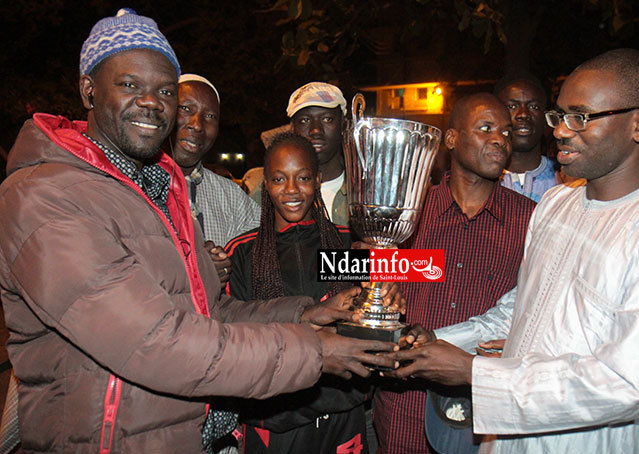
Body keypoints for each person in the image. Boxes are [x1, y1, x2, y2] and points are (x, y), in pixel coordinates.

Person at [0, 9, 396, 452]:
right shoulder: (49, 195)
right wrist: (316, 349)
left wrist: (319, 309)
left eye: (164, 91)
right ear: (88, 90)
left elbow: (209, 312)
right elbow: (160, 340)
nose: (151, 102)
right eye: (129, 85)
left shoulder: (158, 191)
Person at [388, 49, 639, 453]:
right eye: (559, 116)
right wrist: (442, 340)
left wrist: (475, 373)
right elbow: (521, 310)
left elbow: (624, 384)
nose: (562, 131)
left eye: (580, 117)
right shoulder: (556, 205)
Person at [205, 132, 390, 453]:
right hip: (274, 427)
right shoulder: (244, 252)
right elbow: (237, 340)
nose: (291, 190)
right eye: (279, 179)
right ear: (266, 182)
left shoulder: (345, 245)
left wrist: (391, 272)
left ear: (318, 179)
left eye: (303, 178)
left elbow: (397, 297)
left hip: (343, 420)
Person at [373, 93, 536, 454]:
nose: (500, 140)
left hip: (483, 407)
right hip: (405, 401)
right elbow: (372, 287)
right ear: (451, 139)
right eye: (485, 128)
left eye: (506, 133)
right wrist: (367, 264)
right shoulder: (406, 211)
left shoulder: (531, 220)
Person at [170, 73, 260, 284]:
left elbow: (264, 259)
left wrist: (229, 266)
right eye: (185, 109)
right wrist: (193, 269)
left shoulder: (232, 196)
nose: (197, 125)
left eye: (209, 116)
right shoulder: (133, 185)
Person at [244, 82, 349, 225]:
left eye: (327, 119)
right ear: (292, 129)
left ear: (344, 125)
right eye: (305, 121)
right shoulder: (266, 192)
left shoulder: (367, 190)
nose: (316, 130)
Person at [494, 75, 562, 202]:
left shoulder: (566, 180)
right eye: (512, 106)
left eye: (534, 107)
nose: (523, 114)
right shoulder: (479, 179)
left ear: (546, 117)